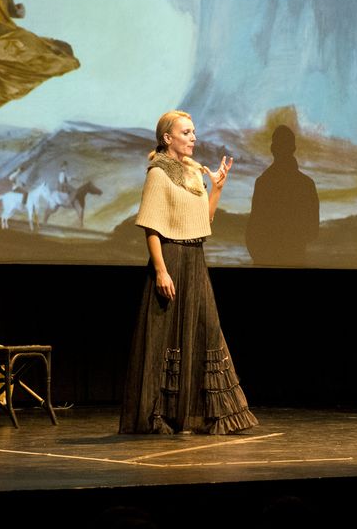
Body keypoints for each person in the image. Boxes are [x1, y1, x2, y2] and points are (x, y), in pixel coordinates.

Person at [119, 111, 258, 434]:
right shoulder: (158, 173)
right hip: (171, 258)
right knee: (166, 337)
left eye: (194, 131)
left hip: (196, 258)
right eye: (186, 132)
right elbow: (152, 227)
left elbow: (203, 222)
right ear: (168, 138)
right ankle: (161, 415)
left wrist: (217, 188)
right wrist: (161, 271)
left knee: (206, 331)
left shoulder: (195, 172)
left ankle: (206, 414)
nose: (193, 137)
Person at [244, 125, 319, 266]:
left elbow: (253, 228)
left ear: (273, 149)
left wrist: (259, 256)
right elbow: (313, 231)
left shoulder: (263, 182)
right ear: (294, 148)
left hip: (265, 260)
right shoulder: (307, 184)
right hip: (294, 259)